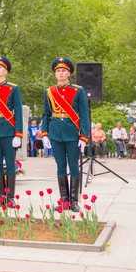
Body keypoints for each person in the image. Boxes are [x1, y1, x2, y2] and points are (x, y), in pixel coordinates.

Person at [41, 58, 90, 213]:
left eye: (63, 71)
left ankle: (74, 201)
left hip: (72, 133)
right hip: (55, 133)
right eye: (58, 71)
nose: (61, 73)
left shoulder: (78, 90)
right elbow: (46, 113)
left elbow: (84, 114)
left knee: (74, 167)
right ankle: (64, 200)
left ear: (69, 73)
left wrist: (84, 136)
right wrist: (45, 133)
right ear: (55, 74)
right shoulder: (49, 91)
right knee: (60, 167)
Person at [0, 56, 23, 206]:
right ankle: (0, 197)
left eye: (1, 67)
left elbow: (18, 111)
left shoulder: (13, 88)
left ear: (6, 71)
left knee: (9, 165)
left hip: (9, 130)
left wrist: (19, 134)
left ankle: (10, 197)